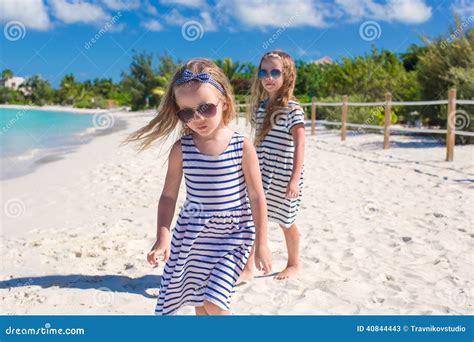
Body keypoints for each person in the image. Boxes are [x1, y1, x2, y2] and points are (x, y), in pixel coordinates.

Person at [125, 58, 272, 315]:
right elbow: (169, 196)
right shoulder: (182, 149)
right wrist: (162, 236)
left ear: (224, 102)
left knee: (215, 303)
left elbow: (257, 196)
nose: (198, 117)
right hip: (194, 236)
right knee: (200, 305)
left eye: (206, 108)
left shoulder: (241, 146)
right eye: (187, 112)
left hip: (232, 236)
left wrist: (262, 242)